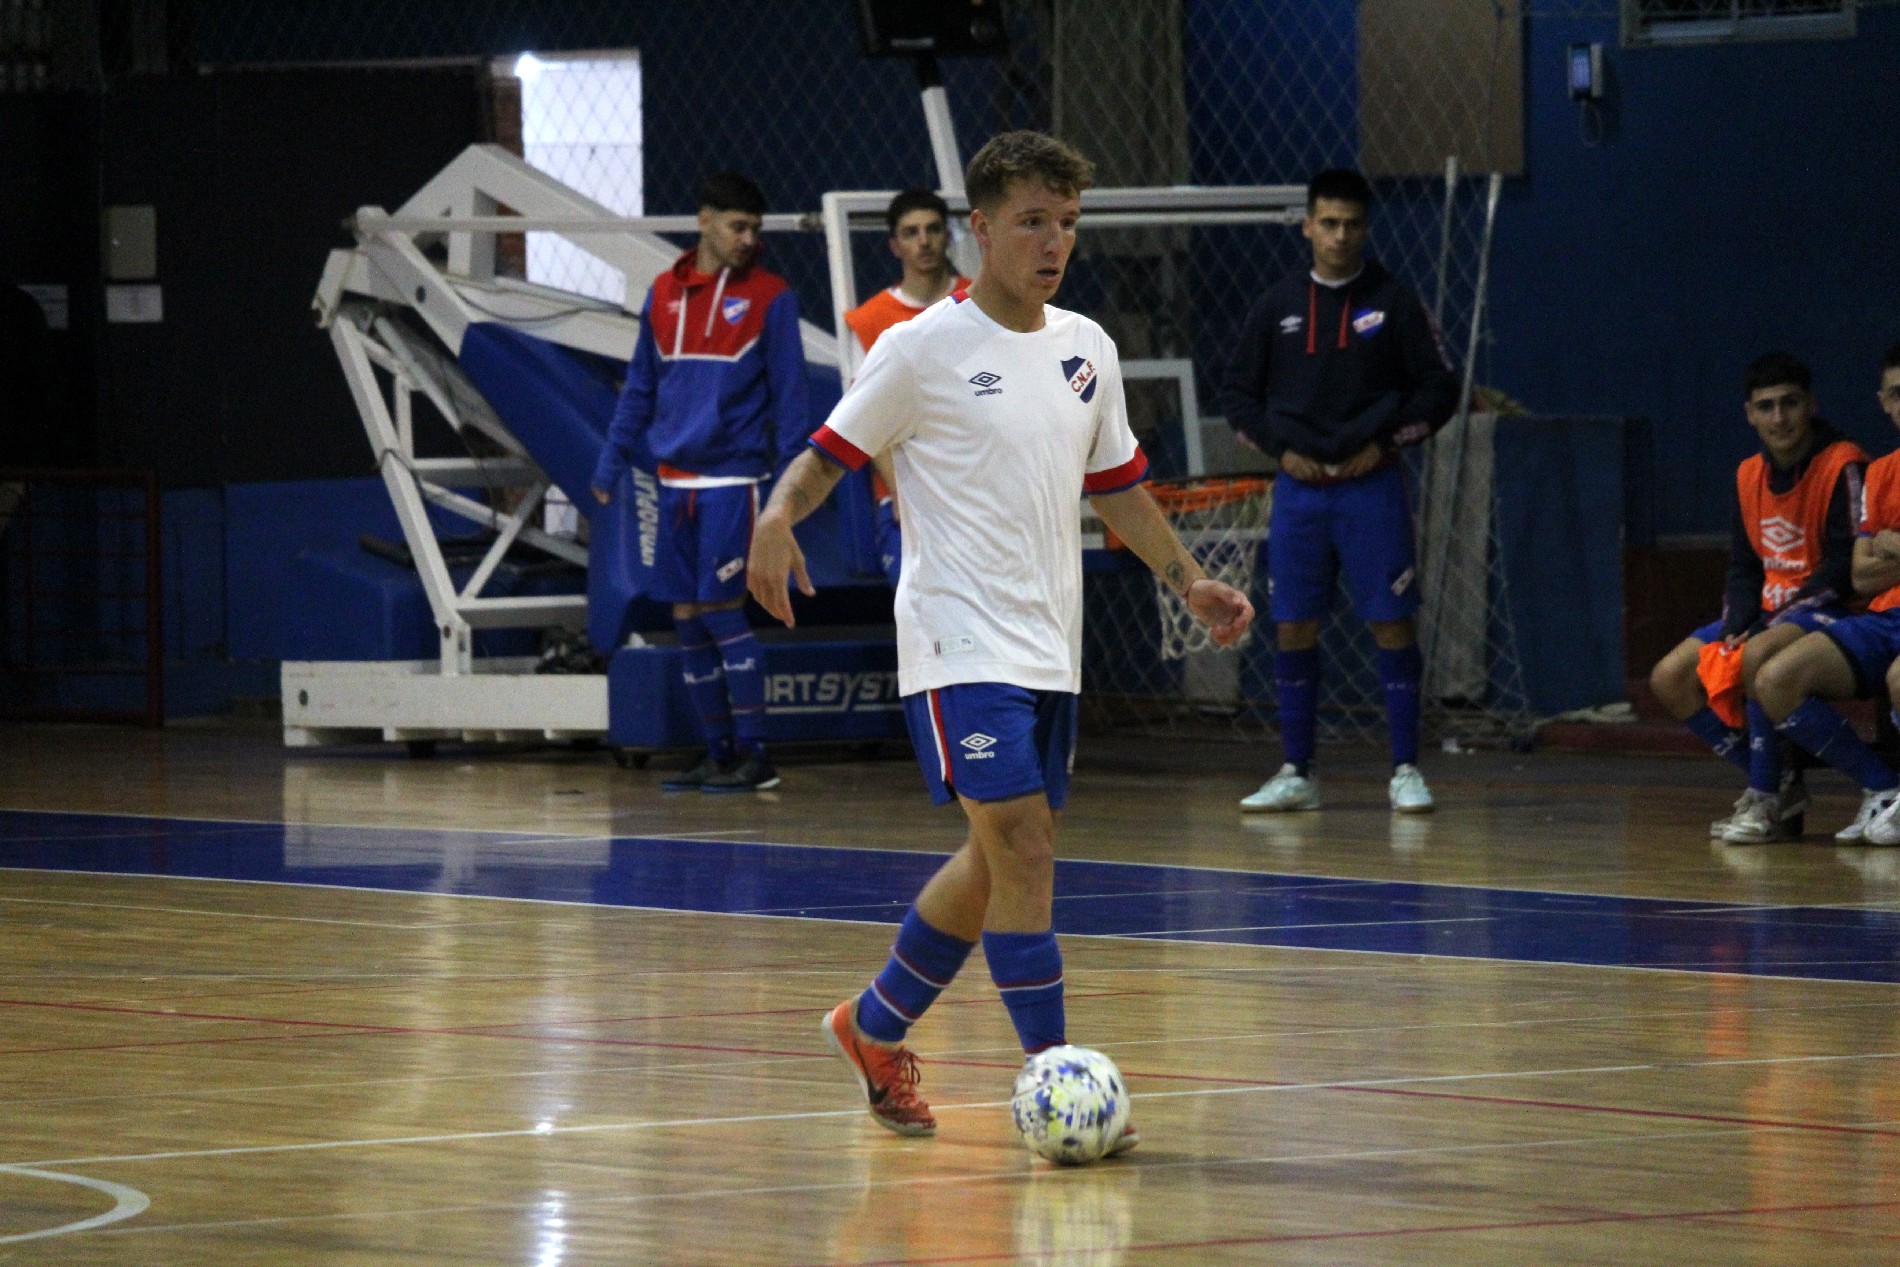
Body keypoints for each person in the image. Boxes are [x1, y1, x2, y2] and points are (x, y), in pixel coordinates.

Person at [747, 131, 1253, 1143]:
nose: (1054, 241)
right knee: (1021, 839)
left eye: (1067, 222)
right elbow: (829, 453)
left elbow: (1117, 491)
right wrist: (774, 519)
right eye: (1032, 221)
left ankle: (873, 1025)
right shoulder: (919, 349)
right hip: (953, 639)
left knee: (998, 859)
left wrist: (1187, 576)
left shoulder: (1087, 349)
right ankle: (1055, 1082)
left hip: (1044, 646)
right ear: (980, 231)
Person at [1220, 168, 1460, 815]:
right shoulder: (1276, 307)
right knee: (1294, 622)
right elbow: (1237, 393)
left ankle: (1406, 767)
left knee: (1390, 619)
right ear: (1307, 226)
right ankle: (1297, 768)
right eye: (1328, 222)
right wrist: (1282, 449)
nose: (1340, 235)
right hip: (1299, 491)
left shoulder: (1396, 300)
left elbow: (1440, 388)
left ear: (1365, 228)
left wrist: (1385, 444)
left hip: (1371, 486)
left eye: (1352, 223)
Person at [590, 171, 809, 793]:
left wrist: (789, 497)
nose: (748, 240)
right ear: (705, 220)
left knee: (720, 609)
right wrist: (608, 465)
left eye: (755, 230)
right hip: (672, 482)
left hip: (733, 481)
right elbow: (639, 387)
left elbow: (791, 403)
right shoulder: (662, 293)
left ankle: (756, 754)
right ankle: (716, 752)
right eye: (738, 227)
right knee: (685, 613)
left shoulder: (772, 297)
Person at [1647, 352, 1868, 843]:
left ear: (1810, 405)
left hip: (1832, 612)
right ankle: (1779, 781)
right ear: (1749, 413)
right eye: (1765, 407)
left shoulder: (1843, 463)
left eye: (1789, 404)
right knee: (1670, 677)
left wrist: (1763, 629)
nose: (1778, 418)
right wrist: (1736, 624)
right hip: (1770, 613)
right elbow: (1745, 567)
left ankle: (1767, 797)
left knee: (1754, 655)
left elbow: (1845, 566)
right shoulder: (1748, 474)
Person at [1750, 342, 1900, 842]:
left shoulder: (1847, 461)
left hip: (1866, 616)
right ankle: (1884, 789)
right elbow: (1860, 577)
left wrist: (1889, 546)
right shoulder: (1882, 473)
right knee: (1772, 677)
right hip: (1882, 617)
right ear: (1882, 400)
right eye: (1897, 394)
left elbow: (1857, 568)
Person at [843, 189, 970, 587]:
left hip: (978, 490)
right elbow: (867, 420)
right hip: (907, 493)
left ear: (948, 236)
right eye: (912, 233)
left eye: (933, 230)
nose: (924, 241)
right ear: (894, 245)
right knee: (923, 622)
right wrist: (902, 493)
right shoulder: (868, 321)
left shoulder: (985, 304)